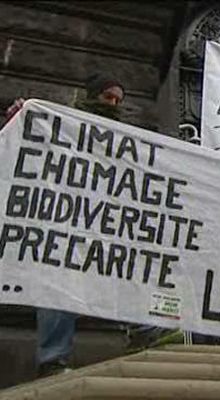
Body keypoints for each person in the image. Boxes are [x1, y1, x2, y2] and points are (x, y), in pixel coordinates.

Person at [4, 73, 125, 377]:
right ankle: (53, 359)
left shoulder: (123, 135)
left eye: (118, 100)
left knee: (130, 274)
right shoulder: (63, 122)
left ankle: (145, 331)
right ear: (92, 94)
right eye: (107, 97)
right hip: (62, 221)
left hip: (104, 222)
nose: (113, 104)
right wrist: (22, 119)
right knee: (58, 285)